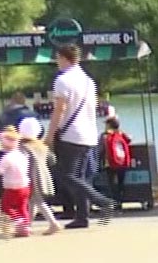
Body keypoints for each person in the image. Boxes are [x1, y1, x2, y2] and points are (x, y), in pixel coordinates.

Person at [45, 44, 113, 228]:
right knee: (80, 176)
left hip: (70, 135)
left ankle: (104, 202)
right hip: (89, 134)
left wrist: (49, 136)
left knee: (66, 175)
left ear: (64, 58)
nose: (57, 62)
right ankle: (82, 216)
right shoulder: (88, 81)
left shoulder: (63, 81)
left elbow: (60, 110)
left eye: (58, 58)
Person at [3, 118, 62, 237]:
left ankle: (53, 223)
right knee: (33, 202)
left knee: (38, 201)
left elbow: (20, 162)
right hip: (44, 177)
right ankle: (28, 225)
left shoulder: (23, 147)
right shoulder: (42, 146)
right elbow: (52, 160)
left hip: (31, 177)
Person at [0, 129, 33, 238]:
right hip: (25, 185)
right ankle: (25, 227)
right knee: (22, 207)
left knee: (5, 207)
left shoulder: (6, 158)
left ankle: (20, 223)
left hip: (12, 187)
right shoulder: (22, 155)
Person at [100, 114, 133, 206]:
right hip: (122, 162)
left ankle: (113, 202)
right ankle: (120, 201)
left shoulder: (106, 135)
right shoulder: (121, 133)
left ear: (109, 125)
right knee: (120, 183)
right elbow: (129, 139)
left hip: (110, 163)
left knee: (111, 184)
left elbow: (100, 148)